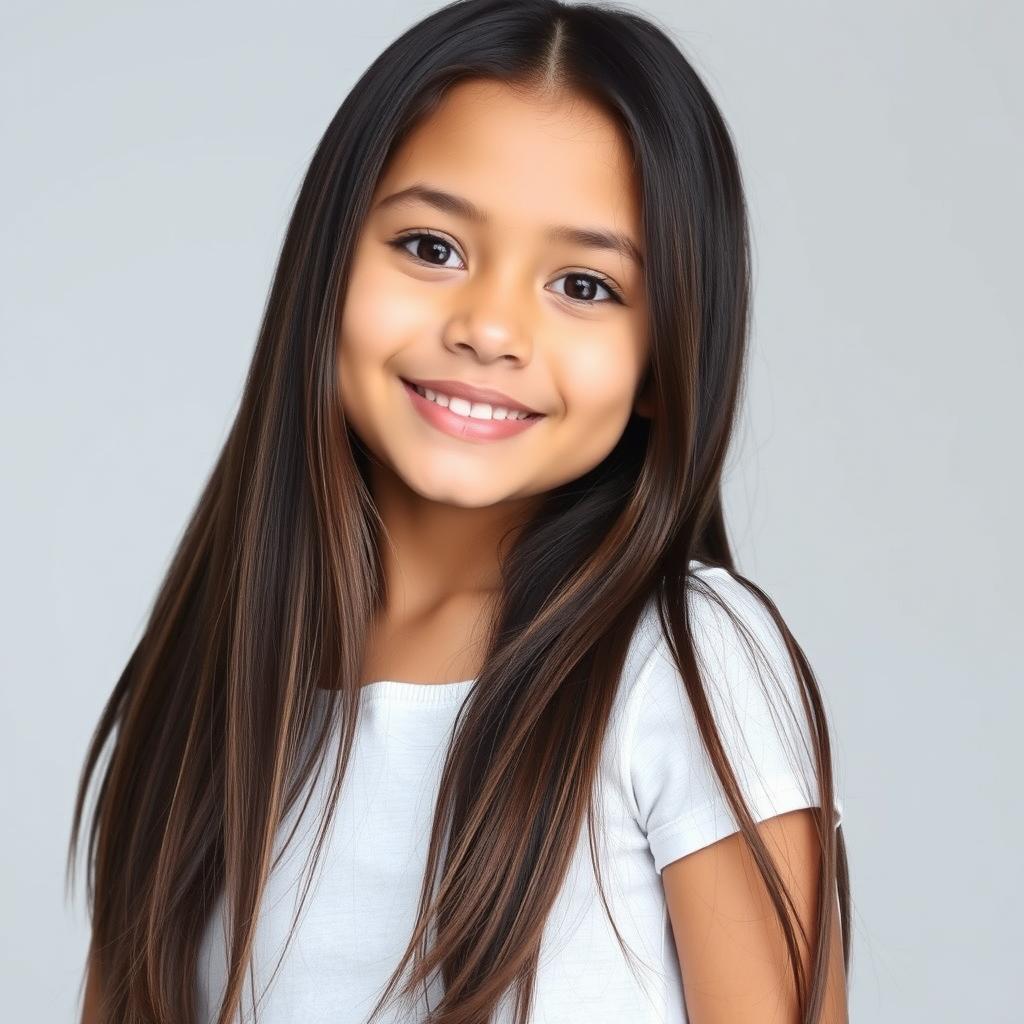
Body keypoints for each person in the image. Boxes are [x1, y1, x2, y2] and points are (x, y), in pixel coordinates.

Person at [70, 2, 849, 1021]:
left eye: (583, 283)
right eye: (432, 247)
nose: (489, 327)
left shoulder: (684, 664)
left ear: (664, 360)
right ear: (327, 268)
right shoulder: (212, 684)